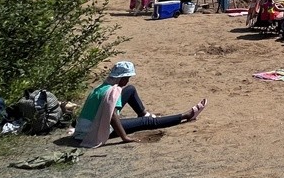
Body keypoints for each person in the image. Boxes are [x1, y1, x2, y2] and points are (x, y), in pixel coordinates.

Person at [73, 61, 207, 148]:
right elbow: (112, 116)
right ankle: (185, 116)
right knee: (147, 122)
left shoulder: (101, 87)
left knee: (130, 90)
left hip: (83, 128)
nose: (127, 81)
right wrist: (124, 137)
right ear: (121, 78)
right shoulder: (113, 91)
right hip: (93, 131)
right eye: (127, 78)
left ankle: (143, 113)